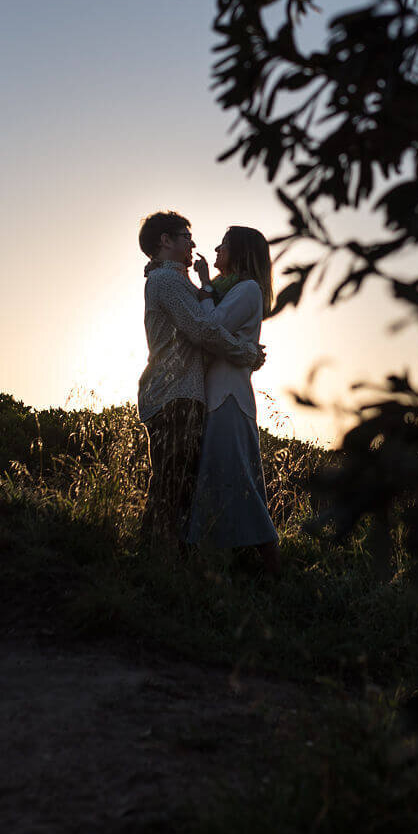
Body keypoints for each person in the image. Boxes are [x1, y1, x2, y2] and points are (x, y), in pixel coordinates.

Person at [137, 211, 264, 549]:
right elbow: (203, 329)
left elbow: (206, 324)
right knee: (171, 487)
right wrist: (245, 352)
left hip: (180, 393)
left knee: (176, 487)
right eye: (185, 237)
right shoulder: (168, 282)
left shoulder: (177, 282)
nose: (192, 243)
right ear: (165, 241)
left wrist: (245, 348)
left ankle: (162, 561)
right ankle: (156, 561)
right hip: (174, 393)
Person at [187, 225, 280, 576]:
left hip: (229, 398)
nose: (216, 248)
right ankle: (221, 563)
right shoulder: (232, 290)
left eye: (224, 244)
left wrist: (206, 285)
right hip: (218, 396)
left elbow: (210, 325)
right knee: (222, 478)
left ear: (239, 252)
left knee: (238, 480)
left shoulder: (247, 290)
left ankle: (273, 569)